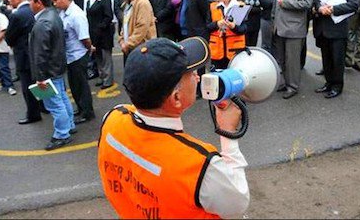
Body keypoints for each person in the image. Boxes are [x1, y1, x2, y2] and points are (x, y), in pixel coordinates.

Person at [98, 36, 249, 218]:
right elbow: (237, 202)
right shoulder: (199, 167)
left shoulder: (113, 118)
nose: (198, 76)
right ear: (176, 98)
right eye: (190, 74)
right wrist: (228, 133)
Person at [29, 0, 75, 150]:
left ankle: (62, 134)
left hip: (48, 71)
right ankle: (69, 125)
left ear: (38, 3)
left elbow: (41, 53)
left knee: (55, 104)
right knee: (62, 98)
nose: (29, 4)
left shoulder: (43, 22)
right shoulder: (53, 15)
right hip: (57, 68)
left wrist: (40, 77)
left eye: (30, 1)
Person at [314, 0, 360, 99]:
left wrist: (333, 9)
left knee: (337, 60)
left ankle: (337, 86)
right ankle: (328, 83)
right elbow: (316, 1)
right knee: (326, 59)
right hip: (323, 28)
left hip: (338, 29)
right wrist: (320, 8)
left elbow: (353, 4)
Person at [50, 0, 95, 124]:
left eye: (56, 0)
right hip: (69, 56)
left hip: (78, 55)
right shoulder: (63, 12)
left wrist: (90, 49)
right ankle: (80, 108)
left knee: (81, 85)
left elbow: (84, 38)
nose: (55, 4)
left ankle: (87, 112)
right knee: (74, 86)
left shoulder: (76, 14)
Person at [272, 0, 314, 99]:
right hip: (279, 26)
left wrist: (286, 2)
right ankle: (284, 82)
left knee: (292, 60)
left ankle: (293, 86)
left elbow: (306, 4)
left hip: (294, 28)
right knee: (282, 58)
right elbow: (276, 3)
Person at [5, 0, 43, 124]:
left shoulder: (17, 15)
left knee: (28, 86)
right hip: (36, 54)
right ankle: (44, 106)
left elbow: (9, 37)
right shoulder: (33, 11)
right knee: (39, 82)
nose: (8, 0)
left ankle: (33, 114)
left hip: (23, 55)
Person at [208, 0, 247, 69]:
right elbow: (206, 27)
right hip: (217, 52)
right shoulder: (213, 6)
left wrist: (234, 27)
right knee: (218, 80)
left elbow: (244, 29)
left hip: (235, 52)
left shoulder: (240, 6)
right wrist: (217, 24)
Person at [118, 0, 157, 65]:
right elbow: (125, 24)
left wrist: (127, 44)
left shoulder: (142, 3)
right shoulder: (127, 2)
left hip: (141, 48)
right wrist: (121, 40)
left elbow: (141, 28)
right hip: (130, 48)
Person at [86, 0, 115, 90]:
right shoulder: (89, 0)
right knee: (97, 57)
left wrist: (100, 28)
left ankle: (108, 80)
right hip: (93, 34)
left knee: (106, 57)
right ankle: (102, 76)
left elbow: (109, 16)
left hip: (104, 34)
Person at [312, 0, 330, 76]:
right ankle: (325, 66)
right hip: (318, 17)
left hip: (330, 16)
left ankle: (330, 69)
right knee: (322, 44)